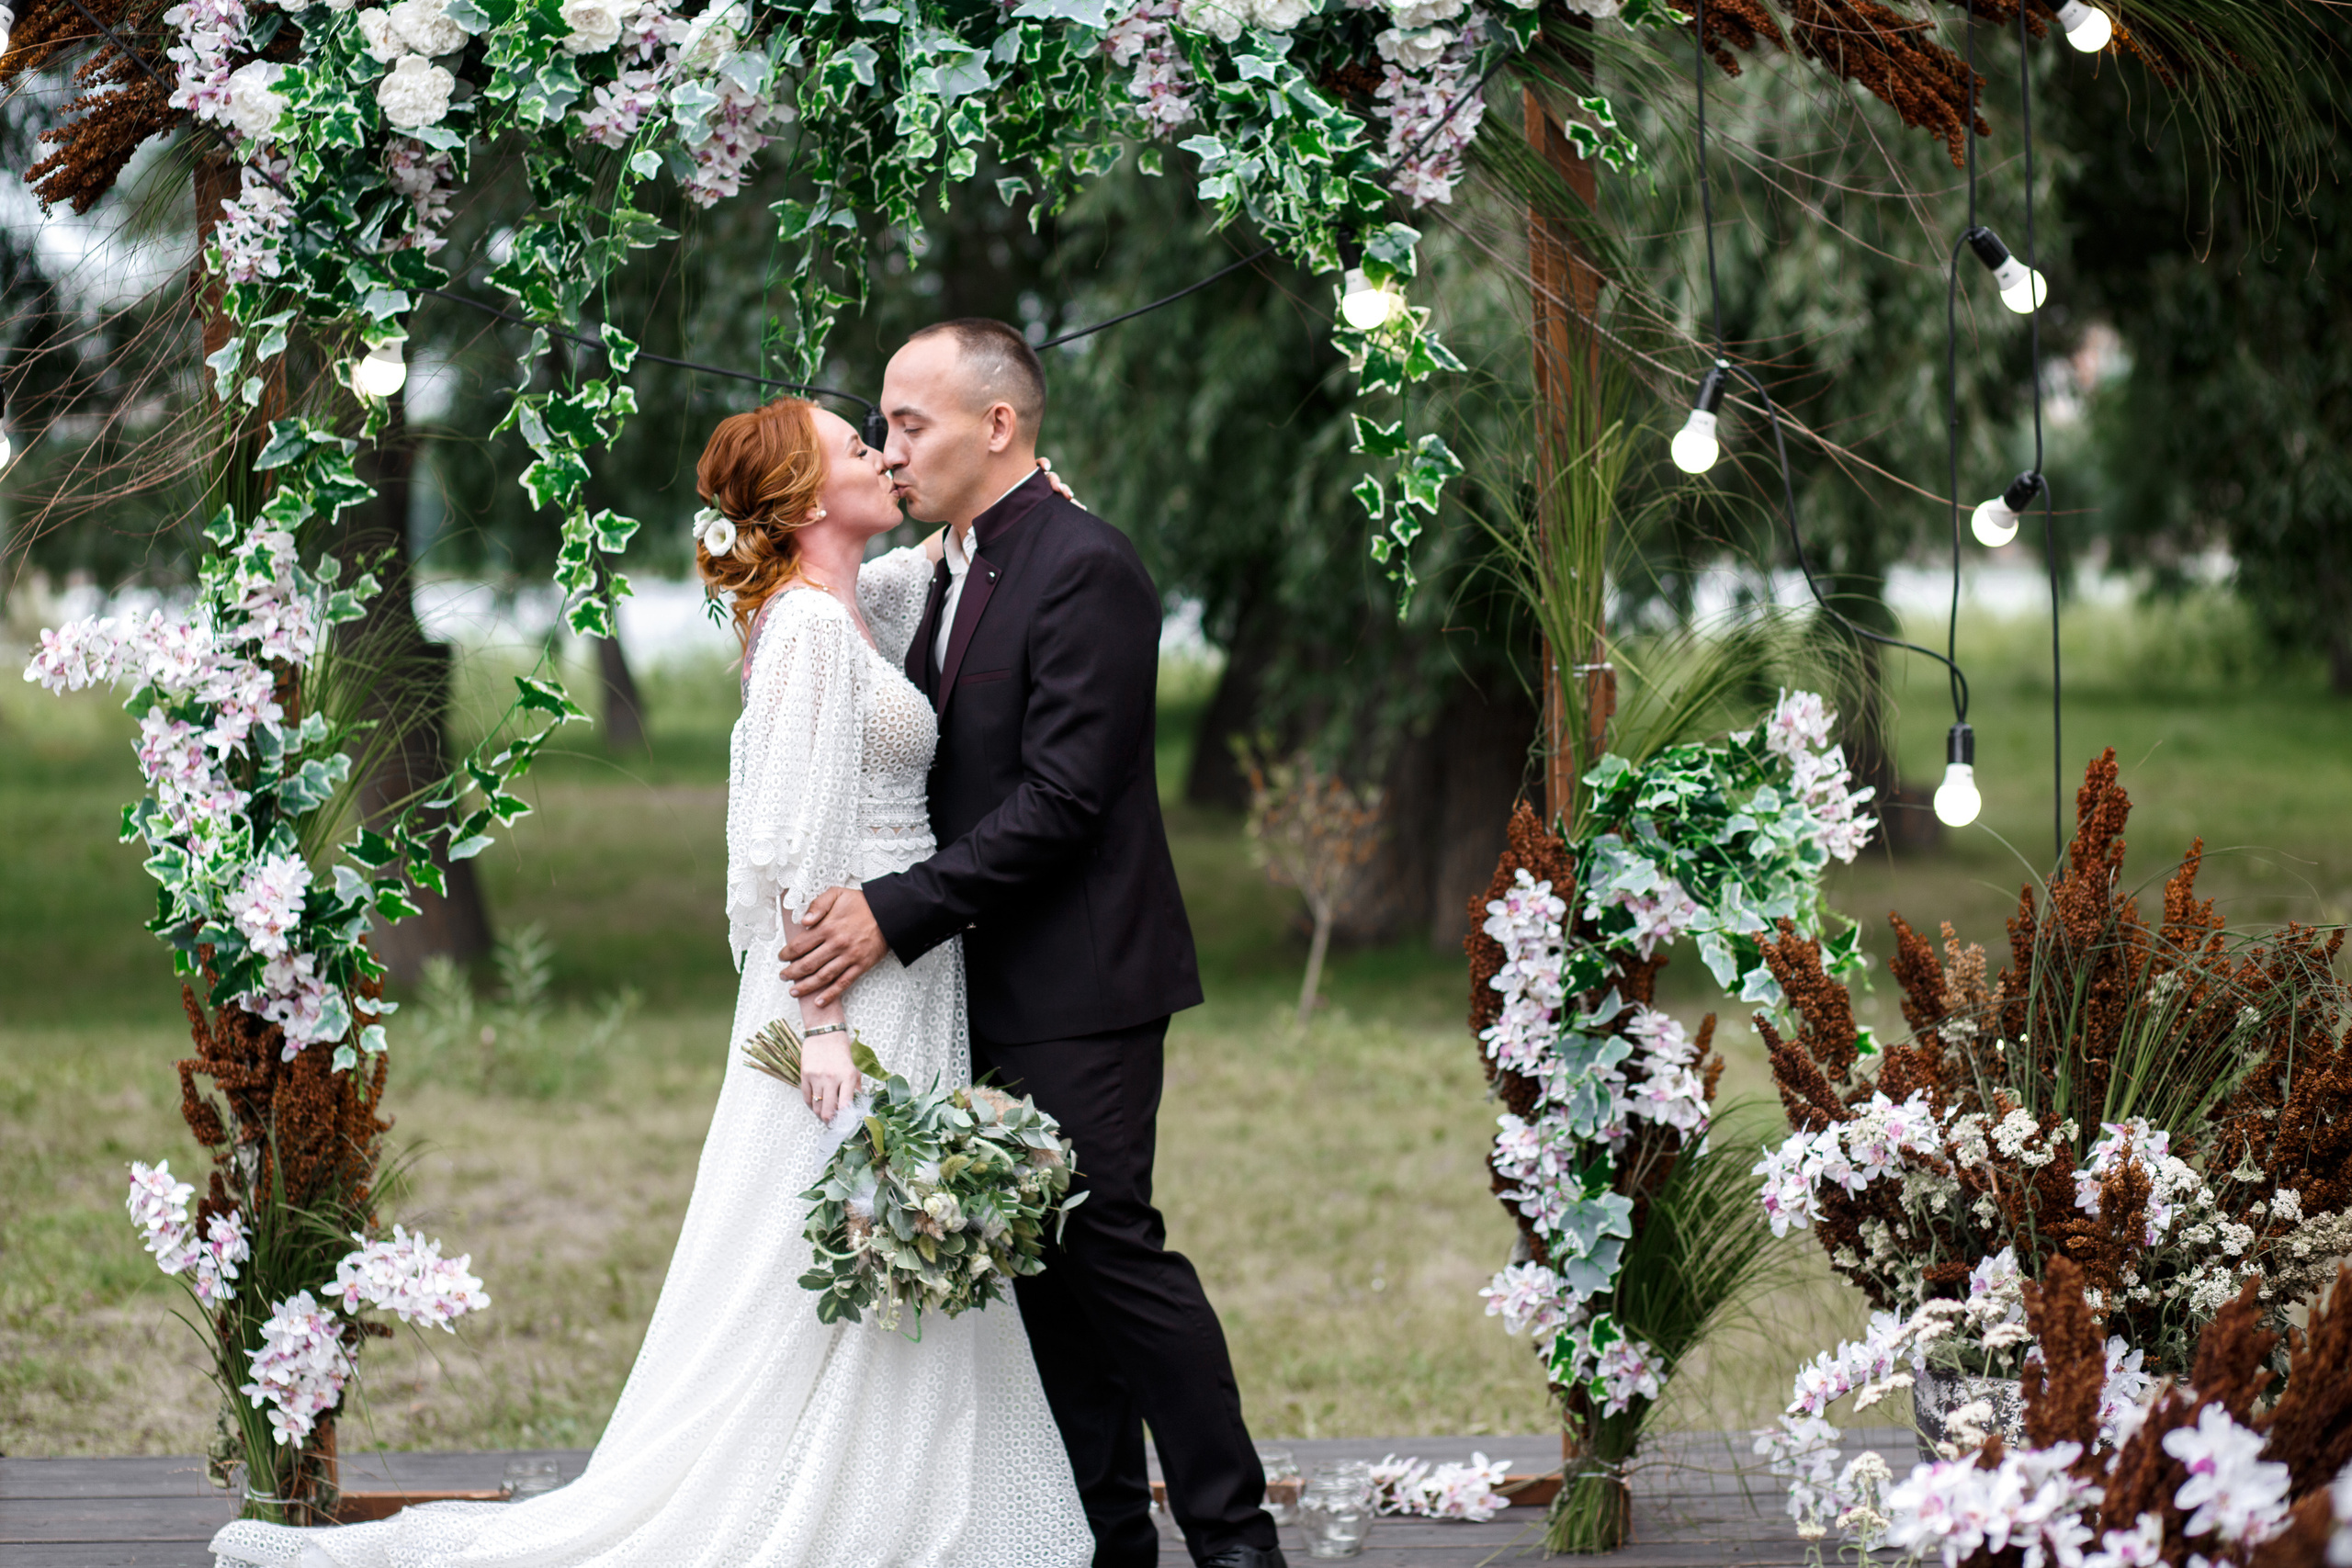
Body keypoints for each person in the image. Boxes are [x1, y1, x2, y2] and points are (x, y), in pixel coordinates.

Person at [209, 399, 1094, 1568]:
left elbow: (937, 565)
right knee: (837, 1231)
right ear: (805, 498)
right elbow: (791, 843)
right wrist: (823, 1026)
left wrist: (1025, 494)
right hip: (848, 975)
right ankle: (814, 1502)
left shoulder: (846, 607)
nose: (882, 456)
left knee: (877, 1229)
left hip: (902, 964)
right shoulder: (809, 634)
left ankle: (887, 1492)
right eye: (854, 447)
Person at [784, 320, 1287, 1568]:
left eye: (912, 424)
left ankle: (1236, 1537)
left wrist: (893, 907)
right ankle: (1112, 1537)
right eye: (885, 428)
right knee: (1039, 1265)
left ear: (996, 425)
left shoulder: (1085, 566)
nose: (892, 449)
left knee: (1110, 1245)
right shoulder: (946, 570)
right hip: (976, 983)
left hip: (1083, 976)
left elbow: (1064, 798)